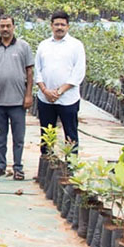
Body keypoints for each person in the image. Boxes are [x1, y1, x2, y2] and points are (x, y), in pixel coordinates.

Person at [35, 10, 86, 155]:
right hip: (45, 99)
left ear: (68, 26)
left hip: (68, 99)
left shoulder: (76, 45)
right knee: (46, 135)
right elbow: (37, 70)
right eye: (56, 24)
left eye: (62, 24)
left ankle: (70, 167)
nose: (59, 27)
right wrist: (45, 91)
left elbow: (78, 73)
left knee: (70, 135)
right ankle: (46, 164)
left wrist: (59, 91)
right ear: (51, 26)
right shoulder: (43, 45)